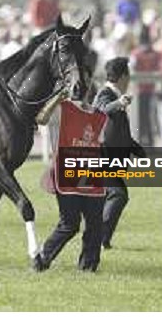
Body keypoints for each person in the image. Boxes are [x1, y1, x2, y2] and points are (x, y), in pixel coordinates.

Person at [34, 81, 106, 273]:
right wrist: (57, 98)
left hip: (91, 174)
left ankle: (88, 267)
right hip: (68, 173)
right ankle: (42, 258)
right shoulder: (62, 109)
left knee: (95, 224)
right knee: (70, 224)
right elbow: (40, 119)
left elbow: (102, 146)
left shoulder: (100, 117)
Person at [92, 57, 146, 249]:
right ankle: (99, 238)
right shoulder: (105, 94)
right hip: (104, 158)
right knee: (118, 195)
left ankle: (100, 239)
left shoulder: (113, 95)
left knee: (111, 197)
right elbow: (102, 109)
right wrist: (119, 103)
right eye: (128, 75)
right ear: (123, 76)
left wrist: (140, 152)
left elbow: (120, 135)